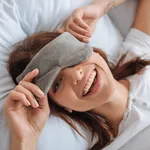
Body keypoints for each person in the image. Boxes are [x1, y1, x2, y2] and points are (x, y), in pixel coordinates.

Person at [4, 0, 150, 150]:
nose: (76, 75)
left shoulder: (139, 53)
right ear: (63, 107)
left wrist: (99, 7)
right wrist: (24, 140)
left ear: (93, 51)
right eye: (57, 83)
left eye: (72, 56)